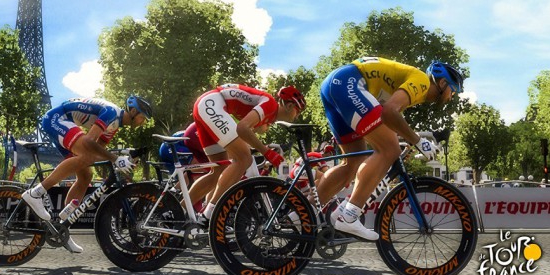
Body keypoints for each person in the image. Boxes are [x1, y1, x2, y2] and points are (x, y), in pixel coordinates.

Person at [317, 57, 463, 241]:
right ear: (442, 82)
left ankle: (300, 215)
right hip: (349, 83)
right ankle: (349, 215)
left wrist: (410, 139)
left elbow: (389, 120)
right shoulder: (423, 83)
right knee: (389, 150)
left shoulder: (411, 84)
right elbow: (389, 112)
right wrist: (418, 140)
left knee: (352, 163)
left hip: (336, 84)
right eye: (453, 90)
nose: (451, 97)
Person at [22, 96, 153, 252]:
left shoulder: (114, 126)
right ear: (133, 111)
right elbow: (89, 143)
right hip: (57, 118)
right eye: (142, 118)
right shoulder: (111, 113)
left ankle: (63, 227)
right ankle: (36, 192)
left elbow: (98, 152)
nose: (143, 123)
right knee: (86, 156)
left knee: (86, 176)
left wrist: (123, 157)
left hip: (63, 123)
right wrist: (116, 158)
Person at [187, 84, 306, 227]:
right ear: (289, 105)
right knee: (244, 159)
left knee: (218, 170)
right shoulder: (270, 105)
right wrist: (267, 152)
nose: (297, 116)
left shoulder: (269, 113)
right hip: (212, 103)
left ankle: (179, 210)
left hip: (207, 105)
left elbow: (244, 136)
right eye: (297, 111)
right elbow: (242, 128)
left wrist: (262, 148)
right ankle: (208, 214)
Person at [158, 122, 209, 212]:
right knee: (199, 170)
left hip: (169, 147)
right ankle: (175, 193)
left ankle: (174, 192)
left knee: (196, 172)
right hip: (172, 146)